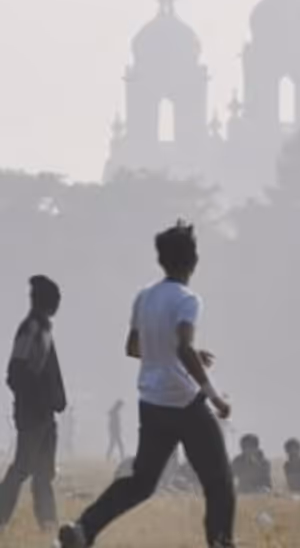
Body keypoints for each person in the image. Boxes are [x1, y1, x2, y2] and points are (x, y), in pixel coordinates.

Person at [59, 221, 235, 548]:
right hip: (185, 403)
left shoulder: (145, 296)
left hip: (152, 403)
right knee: (218, 482)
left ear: (162, 260)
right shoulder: (188, 299)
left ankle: (83, 529)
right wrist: (214, 397)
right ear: (193, 261)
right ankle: (221, 543)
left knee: (141, 482)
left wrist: (179, 353)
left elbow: (133, 347)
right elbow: (183, 347)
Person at [0, 276, 67, 532]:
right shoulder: (31, 329)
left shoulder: (43, 328)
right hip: (34, 415)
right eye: (55, 299)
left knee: (43, 474)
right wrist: (36, 403)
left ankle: (49, 526)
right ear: (45, 301)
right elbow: (16, 372)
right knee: (22, 470)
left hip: (44, 414)